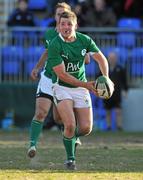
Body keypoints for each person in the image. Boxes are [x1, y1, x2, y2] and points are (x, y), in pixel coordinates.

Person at [46, 11, 112, 170]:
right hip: (61, 87)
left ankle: (71, 137)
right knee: (69, 125)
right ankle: (70, 160)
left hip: (81, 88)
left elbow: (101, 58)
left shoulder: (84, 40)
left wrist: (107, 78)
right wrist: (87, 85)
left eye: (69, 24)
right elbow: (62, 74)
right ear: (58, 26)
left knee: (85, 128)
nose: (66, 27)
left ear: (76, 25)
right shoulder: (55, 44)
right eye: (62, 24)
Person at [27, 2, 89, 158]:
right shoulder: (50, 34)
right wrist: (37, 67)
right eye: (58, 14)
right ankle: (32, 145)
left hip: (66, 82)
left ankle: (72, 138)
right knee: (41, 112)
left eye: (64, 14)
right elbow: (47, 52)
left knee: (58, 118)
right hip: (49, 78)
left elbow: (86, 58)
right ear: (55, 17)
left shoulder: (74, 35)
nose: (61, 16)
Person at [103, 52, 128, 131]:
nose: (112, 59)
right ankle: (109, 126)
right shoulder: (104, 68)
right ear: (108, 59)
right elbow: (99, 79)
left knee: (118, 111)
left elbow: (124, 81)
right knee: (108, 111)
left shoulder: (120, 69)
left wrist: (125, 91)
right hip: (106, 93)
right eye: (110, 58)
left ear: (116, 59)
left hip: (117, 93)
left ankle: (119, 126)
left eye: (113, 58)